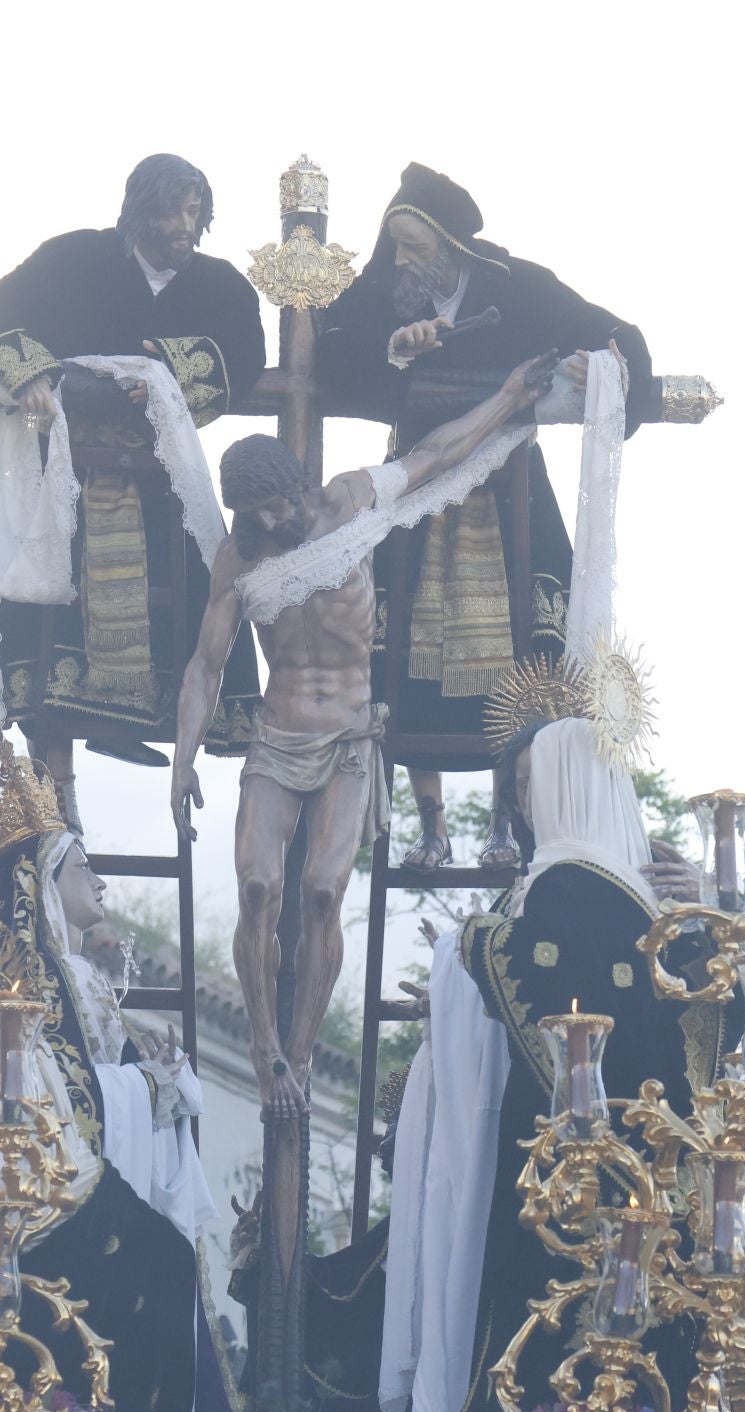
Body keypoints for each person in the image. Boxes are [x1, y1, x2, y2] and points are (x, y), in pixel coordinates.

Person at [171, 353, 560, 1119]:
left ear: (296, 487)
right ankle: (261, 1048)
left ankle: (303, 1053)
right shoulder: (240, 556)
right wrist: (181, 762)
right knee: (256, 888)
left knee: (321, 894)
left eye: (276, 508)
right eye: (253, 515)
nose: (270, 524)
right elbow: (203, 667)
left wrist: (510, 393)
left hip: (350, 739)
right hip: (277, 737)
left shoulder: (350, 505)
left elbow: (435, 452)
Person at [379, 714, 723, 1412]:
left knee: (548, 1362)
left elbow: (540, 976)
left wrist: (465, 945)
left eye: (533, 785)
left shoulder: (567, 887)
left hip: (571, 1165)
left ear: (572, 784)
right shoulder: (648, 901)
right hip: (660, 1168)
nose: (525, 807)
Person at [0, 709, 232, 1412]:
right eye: (83, 866)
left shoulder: (68, 978)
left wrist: (153, 1080)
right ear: (41, 886)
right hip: (25, 1197)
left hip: (53, 1180)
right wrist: (149, 1087)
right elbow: (58, 1101)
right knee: (159, 1263)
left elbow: (86, 1084)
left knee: (167, 1260)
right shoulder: (17, 988)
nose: (99, 880)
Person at [319, 163, 653, 868]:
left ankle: (506, 818)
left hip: (510, 491)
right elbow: (329, 352)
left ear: (451, 244)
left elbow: (610, 332)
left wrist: (611, 368)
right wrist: (391, 348)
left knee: (524, 651)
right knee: (402, 653)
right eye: (397, 245)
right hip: (419, 481)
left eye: (414, 246)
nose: (402, 261)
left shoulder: (517, 288)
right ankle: (431, 824)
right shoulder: (385, 294)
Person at [0, 153, 266, 778]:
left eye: (195, 212)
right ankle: (55, 794)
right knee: (46, 621)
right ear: (140, 210)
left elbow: (246, 356)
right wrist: (28, 373)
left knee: (195, 601)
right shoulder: (72, 260)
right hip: (65, 483)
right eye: (172, 210)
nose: (184, 225)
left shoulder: (222, 285)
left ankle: (144, 729)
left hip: (165, 484)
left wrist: (172, 378)